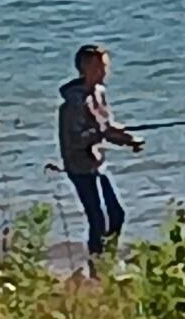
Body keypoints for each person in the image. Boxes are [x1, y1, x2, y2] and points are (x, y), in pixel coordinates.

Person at [55, 42, 144, 261]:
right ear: (85, 69)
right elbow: (77, 139)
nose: (104, 72)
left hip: (97, 164)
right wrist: (103, 134)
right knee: (97, 219)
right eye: (99, 67)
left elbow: (107, 125)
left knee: (117, 214)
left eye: (105, 66)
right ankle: (97, 265)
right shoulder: (74, 102)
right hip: (80, 167)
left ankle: (108, 258)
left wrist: (127, 139)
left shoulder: (99, 92)